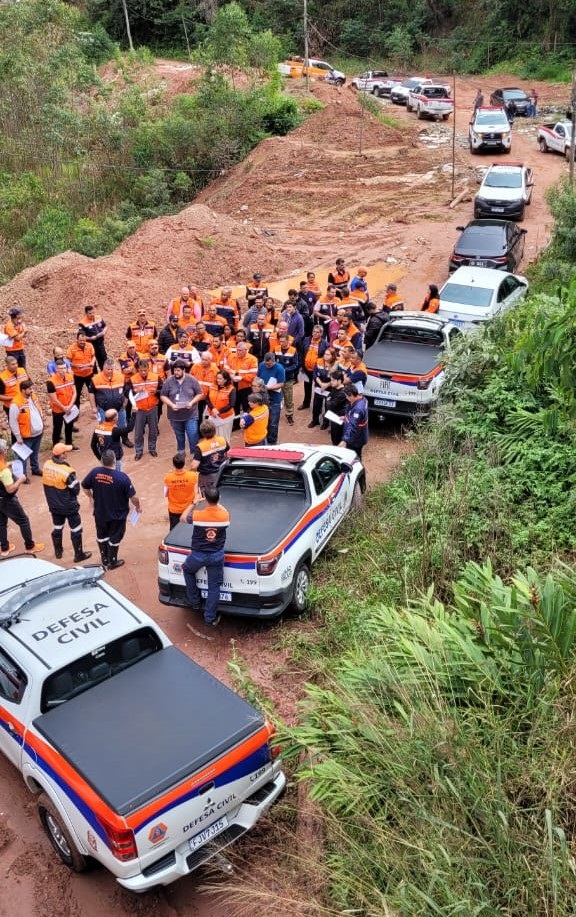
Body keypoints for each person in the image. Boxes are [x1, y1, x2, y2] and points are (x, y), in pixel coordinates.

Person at [81, 449, 141, 570]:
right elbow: (133, 497)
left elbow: (84, 486)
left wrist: (91, 498)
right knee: (115, 536)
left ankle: (105, 558)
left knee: (102, 534)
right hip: (117, 515)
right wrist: (138, 507)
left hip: (100, 512)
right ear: (114, 461)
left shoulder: (95, 472)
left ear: (102, 461)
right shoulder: (122, 478)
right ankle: (112, 561)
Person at [181, 485, 230, 627]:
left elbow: (183, 518)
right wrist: (216, 502)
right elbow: (225, 511)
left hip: (197, 555)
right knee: (214, 587)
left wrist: (194, 503)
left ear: (206, 499)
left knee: (187, 569)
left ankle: (194, 602)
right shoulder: (224, 516)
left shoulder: (198, 515)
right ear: (219, 498)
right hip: (216, 556)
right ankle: (210, 618)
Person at [42, 443, 91, 562]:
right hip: (69, 506)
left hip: (54, 506)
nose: (67, 453)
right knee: (76, 529)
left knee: (57, 528)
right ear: (62, 454)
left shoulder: (46, 465)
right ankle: (78, 555)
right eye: (66, 452)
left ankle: (58, 552)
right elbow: (76, 489)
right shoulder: (67, 471)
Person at [0, 438, 44, 557]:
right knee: (23, 521)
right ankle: (30, 546)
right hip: (7, 500)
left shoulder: (2, 467)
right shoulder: (4, 471)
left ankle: (4, 548)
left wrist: (7, 464)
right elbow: (10, 489)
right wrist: (20, 480)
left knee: (1, 523)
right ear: (2, 452)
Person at [160, 360, 203, 455]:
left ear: (184, 370)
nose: (176, 372)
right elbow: (163, 395)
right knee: (179, 436)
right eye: (175, 370)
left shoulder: (192, 380)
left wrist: (191, 403)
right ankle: (181, 453)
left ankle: (195, 455)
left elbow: (200, 394)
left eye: (178, 370)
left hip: (191, 414)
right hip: (174, 415)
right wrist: (171, 405)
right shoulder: (169, 381)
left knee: (193, 435)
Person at [88, 359, 133, 448]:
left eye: (111, 369)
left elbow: (126, 390)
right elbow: (91, 393)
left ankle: (125, 439)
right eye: (108, 369)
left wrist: (125, 402)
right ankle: (106, 442)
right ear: (103, 368)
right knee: (104, 427)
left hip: (119, 408)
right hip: (104, 410)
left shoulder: (121, 377)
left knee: (122, 425)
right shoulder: (96, 379)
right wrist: (93, 407)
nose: (110, 371)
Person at [8, 379, 44, 477]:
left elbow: (38, 409)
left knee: (35, 454)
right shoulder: (16, 403)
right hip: (26, 436)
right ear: (23, 390)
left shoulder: (33, 397)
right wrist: (18, 437)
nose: (32, 390)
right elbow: (13, 422)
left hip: (38, 432)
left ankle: (35, 469)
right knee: (22, 457)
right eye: (29, 389)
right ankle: (22, 475)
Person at [129, 358, 161, 460]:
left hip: (153, 408)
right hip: (139, 410)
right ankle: (139, 451)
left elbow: (163, 390)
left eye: (145, 370)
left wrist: (156, 392)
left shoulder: (156, 377)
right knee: (138, 432)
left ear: (148, 368)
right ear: (138, 369)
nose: (143, 372)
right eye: (141, 370)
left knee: (153, 431)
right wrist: (136, 391)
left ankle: (152, 448)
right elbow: (127, 393)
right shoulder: (132, 379)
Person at [46, 358, 78, 449]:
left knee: (69, 426)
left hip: (69, 407)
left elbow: (74, 392)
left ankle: (69, 444)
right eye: (60, 368)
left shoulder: (70, 377)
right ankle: (56, 447)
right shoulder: (51, 381)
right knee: (57, 429)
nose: (63, 370)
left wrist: (70, 406)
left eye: (64, 368)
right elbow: (54, 399)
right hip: (58, 410)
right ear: (56, 369)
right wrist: (64, 408)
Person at [191, 420, 229, 493]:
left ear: (202, 433)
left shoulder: (200, 447)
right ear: (214, 430)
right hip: (222, 474)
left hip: (207, 478)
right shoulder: (222, 440)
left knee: (208, 498)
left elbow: (194, 466)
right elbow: (227, 452)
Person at [164, 452, 199, 530]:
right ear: (184, 463)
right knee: (189, 530)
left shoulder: (168, 477)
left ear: (173, 464)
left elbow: (165, 494)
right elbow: (196, 492)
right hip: (189, 509)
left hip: (174, 510)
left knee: (174, 531)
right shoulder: (193, 476)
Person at [257, 352, 285, 445]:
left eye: (268, 364)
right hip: (262, 397)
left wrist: (268, 388)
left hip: (274, 399)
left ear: (273, 361)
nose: (266, 365)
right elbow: (257, 377)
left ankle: (272, 442)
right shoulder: (261, 365)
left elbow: (281, 383)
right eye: (265, 363)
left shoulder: (280, 368)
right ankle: (263, 440)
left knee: (273, 423)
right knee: (262, 420)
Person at [225, 340, 258, 414]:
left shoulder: (252, 359)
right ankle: (235, 425)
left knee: (247, 407)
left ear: (246, 350)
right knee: (234, 407)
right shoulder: (232, 356)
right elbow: (226, 368)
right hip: (233, 386)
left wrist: (242, 377)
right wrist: (230, 375)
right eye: (237, 350)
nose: (238, 352)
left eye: (240, 350)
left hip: (246, 388)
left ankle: (247, 424)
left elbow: (253, 375)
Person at [310, 347, 339, 429]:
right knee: (316, 406)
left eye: (328, 355)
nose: (325, 356)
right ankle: (315, 420)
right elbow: (315, 373)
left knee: (327, 406)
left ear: (333, 356)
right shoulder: (319, 361)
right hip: (319, 388)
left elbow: (336, 378)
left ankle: (325, 423)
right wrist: (321, 384)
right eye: (325, 354)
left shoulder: (336, 365)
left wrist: (326, 385)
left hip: (329, 389)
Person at [273, 334, 299, 426]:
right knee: (275, 397)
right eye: (280, 341)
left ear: (288, 341)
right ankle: (274, 414)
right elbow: (273, 361)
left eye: (283, 341)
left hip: (288, 379)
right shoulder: (276, 349)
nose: (282, 343)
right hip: (277, 379)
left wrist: (284, 370)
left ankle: (289, 415)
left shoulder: (293, 350)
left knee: (288, 398)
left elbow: (295, 364)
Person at [299, 325, 326, 413]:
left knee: (318, 387)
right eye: (314, 331)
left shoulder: (325, 344)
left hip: (317, 370)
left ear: (321, 333)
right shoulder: (306, 340)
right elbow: (301, 352)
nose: (315, 333)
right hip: (306, 368)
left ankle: (317, 407)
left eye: (317, 332)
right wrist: (301, 364)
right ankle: (306, 403)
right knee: (306, 385)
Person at [206, 369, 236, 445]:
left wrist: (219, 411)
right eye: (217, 378)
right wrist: (213, 408)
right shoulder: (212, 386)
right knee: (213, 436)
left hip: (225, 417)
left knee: (224, 437)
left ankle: (225, 454)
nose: (217, 380)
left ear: (225, 380)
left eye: (220, 378)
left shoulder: (231, 389)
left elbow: (231, 404)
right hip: (213, 415)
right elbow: (207, 398)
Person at [67, 330, 96, 408]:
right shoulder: (71, 348)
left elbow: (93, 356)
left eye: (84, 340)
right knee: (77, 393)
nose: (82, 342)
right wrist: (76, 365)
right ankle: (76, 411)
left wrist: (92, 362)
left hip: (89, 374)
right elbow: (67, 362)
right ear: (77, 339)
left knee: (93, 391)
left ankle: (95, 409)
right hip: (77, 375)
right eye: (80, 340)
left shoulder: (90, 346)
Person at [340, 384, 369, 459]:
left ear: (352, 396)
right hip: (359, 435)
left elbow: (352, 425)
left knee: (354, 457)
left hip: (356, 438)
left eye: (347, 396)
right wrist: (346, 417)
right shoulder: (362, 399)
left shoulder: (357, 409)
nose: (346, 398)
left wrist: (345, 440)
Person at [0, 355, 28, 430]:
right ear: (7, 365)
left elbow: (28, 384)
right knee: (15, 428)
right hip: (11, 407)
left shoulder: (22, 370)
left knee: (25, 425)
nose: (15, 366)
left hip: (25, 404)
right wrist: (13, 398)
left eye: (16, 363)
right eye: (12, 364)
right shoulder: (2, 377)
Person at [79, 305, 108, 370]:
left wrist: (104, 332)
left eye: (93, 312)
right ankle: (94, 377)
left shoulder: (98, 317)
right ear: (86, 313)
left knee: (103, 359)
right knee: (92, 361)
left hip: (100, 343)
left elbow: (105, 326)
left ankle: (104, 374)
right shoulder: (82, 323)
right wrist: (90, 338)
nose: (92, 315)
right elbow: (81, 336)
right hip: (90, 345)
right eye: (90, 313)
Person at [325, 370, 348, 446]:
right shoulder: (334, 388)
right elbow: (328, 398)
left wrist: (329, 400)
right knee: (334, 437)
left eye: (333, 380)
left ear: (339, 381)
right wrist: (329, 400)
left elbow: (330, 404)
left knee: (337, 439)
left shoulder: (342, 393)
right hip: (334, 417)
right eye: (331, 380)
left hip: (339, 419)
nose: (331, 382)